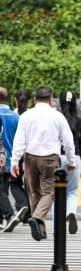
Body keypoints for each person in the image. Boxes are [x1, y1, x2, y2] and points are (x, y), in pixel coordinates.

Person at [11, 86, 76, 241]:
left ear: (34, 100)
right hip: (50, 159)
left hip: (30, 159)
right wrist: (71, 160)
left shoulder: (26, 115)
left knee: (34, 193)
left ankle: (41, 229)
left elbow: (19, 140)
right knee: (49, 192)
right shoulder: (58, 116)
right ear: (50, 100)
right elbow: (68, 141)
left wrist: (14, 161)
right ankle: (38, 218)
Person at [0, 87, 29, 232]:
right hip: (12, 160)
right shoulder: (16, 117)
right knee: (3, 189)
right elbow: (22, 140)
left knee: (0, 190)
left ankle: (9, 216)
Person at [57, 90, 81, 234]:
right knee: (72, 191)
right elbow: (80, 142)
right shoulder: (79, 121)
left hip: (58, 158)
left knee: (57, 192)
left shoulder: (57, 118)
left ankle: (59, 222)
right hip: (75, 158)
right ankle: (71, 212)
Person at [10, 88, 32, 224]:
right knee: (31, 186)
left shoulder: (12, 115)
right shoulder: (31, 116)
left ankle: (23, 206)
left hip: (16, 155)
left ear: (15, 100)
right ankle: (29, 214)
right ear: (30, 101)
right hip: (31, 156)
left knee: (15, 184)